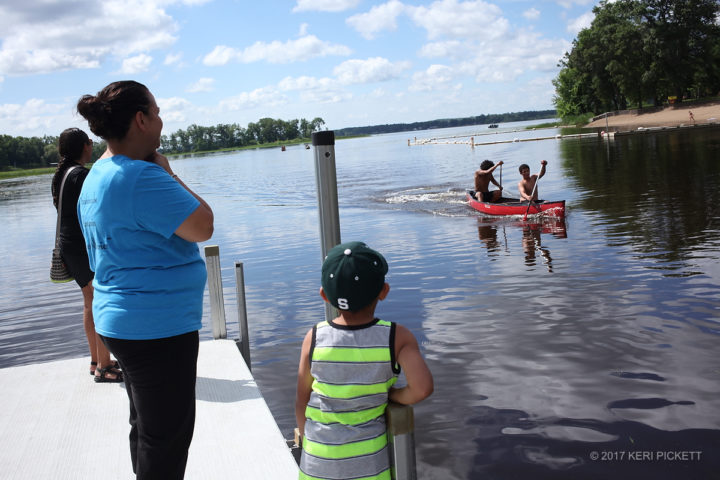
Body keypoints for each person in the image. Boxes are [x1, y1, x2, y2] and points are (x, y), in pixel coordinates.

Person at [76, 80, 214, 479]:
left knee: (147, 431)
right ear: (140, 119)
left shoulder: (98, 173)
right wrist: (169, 173)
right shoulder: (143, 177)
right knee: (166, 440)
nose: (161, 119)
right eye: (155, 112)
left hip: (121, 320)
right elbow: (203, 226)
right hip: (157, 327)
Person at [295, 241, 433, 480]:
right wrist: (393, 395)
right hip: (368, 467)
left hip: (316, 462)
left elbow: (301, 400)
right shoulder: (396, 337)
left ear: (324, 295)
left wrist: (308, 441)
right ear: (384, 291)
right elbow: (422, 389)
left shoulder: (314, 337)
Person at [51, 128, 123, 383]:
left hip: (69, 245)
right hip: (83, 246)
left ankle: (96, 360)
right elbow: (99, 210)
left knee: (89, 301)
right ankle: (104, 366)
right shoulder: (81, 175)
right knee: (99, 300)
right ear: (85, 146)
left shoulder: (60, 175)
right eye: (89, 143)